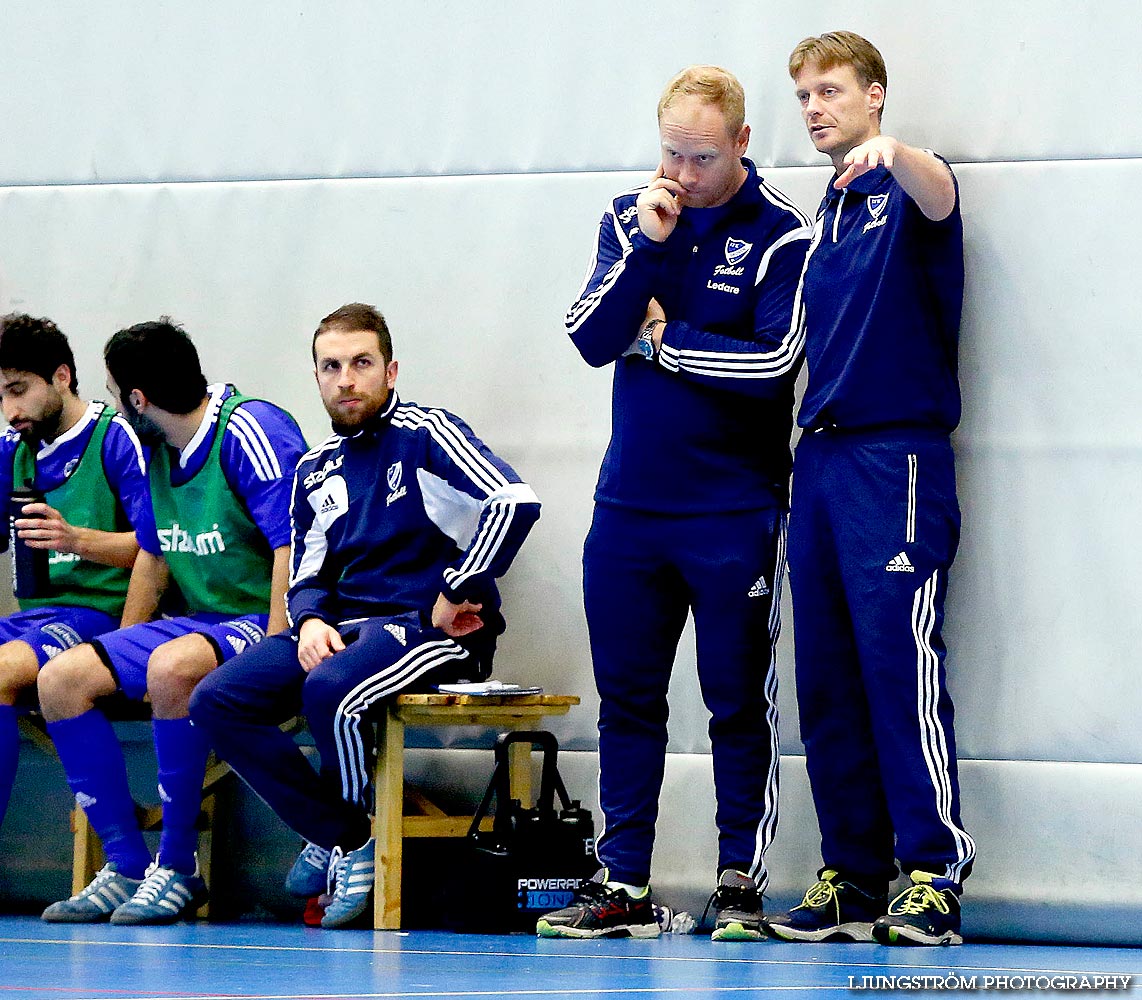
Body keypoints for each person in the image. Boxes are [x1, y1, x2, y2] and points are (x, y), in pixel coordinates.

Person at [537, 66, 812, 941]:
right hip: (628, 511)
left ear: (739, 144)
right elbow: (588, 337)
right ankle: (620, 881)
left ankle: (739, 880)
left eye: (701, 157)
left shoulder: (783, 238)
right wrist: (648, 253)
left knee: (734, 699)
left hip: (732, 512)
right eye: (670, 154)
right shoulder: (630, 218)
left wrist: (665, 339)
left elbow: (771, 369)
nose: (683, 175)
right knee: (629, 699)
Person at [190, 303, 540, 929]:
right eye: (331, 367)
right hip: (345, 628)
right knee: (216, 699)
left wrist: (457, 586)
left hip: (432, 629)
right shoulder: (313, 467)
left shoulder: (427, 434)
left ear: (390, 370)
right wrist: (311, 618)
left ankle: (351, 847)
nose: (346, 379)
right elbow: (307, 572)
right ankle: (340, 833)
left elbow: (514, 501)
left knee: (332, 689)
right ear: (317, 378)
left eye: (361, 364)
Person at [763, 32, 975, 947]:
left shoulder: (907, 184)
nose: (815, 106)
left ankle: (933, 874)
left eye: (833, 90)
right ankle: (852, 874)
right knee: (830, 678)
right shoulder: (828, 215)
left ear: (876, 95)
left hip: (898, 461)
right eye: (804, 93)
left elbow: (945, 195)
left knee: (900, 662)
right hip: (822, 462)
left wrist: (905, 154)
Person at [37, 319, 306, 925]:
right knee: (62, 678)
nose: (111, 406)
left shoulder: (249, 430)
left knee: (171, 667)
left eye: (113, 393)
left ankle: (178, 865)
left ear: (138, 399)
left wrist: (274, 646)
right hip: (200, 621)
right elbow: (154, 557)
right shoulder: (156, 451)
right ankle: (128, 865)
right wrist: (113, 647)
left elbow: (294, 545)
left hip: (261, 619)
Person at [0, 314, 151, 832]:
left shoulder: (117, 439)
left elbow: (163, 551)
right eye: (0, 396)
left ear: (61, 377)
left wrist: (76, 540)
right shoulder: (12, 453)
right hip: (33, 621)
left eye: (18, 390)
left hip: (98, 619)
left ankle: (126, 857)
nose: (9, 410)